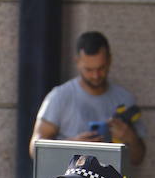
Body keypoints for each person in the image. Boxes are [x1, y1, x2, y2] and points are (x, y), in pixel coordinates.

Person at [29, 31, 146, 166]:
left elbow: (139, 158)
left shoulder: (125, 98)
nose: (96, 75)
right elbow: (35, 149)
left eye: (101, 68)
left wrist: (130, 137)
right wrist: (72, 145)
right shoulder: (59, 96)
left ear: (109, 60)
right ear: (77, 62)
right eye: (89, 70)